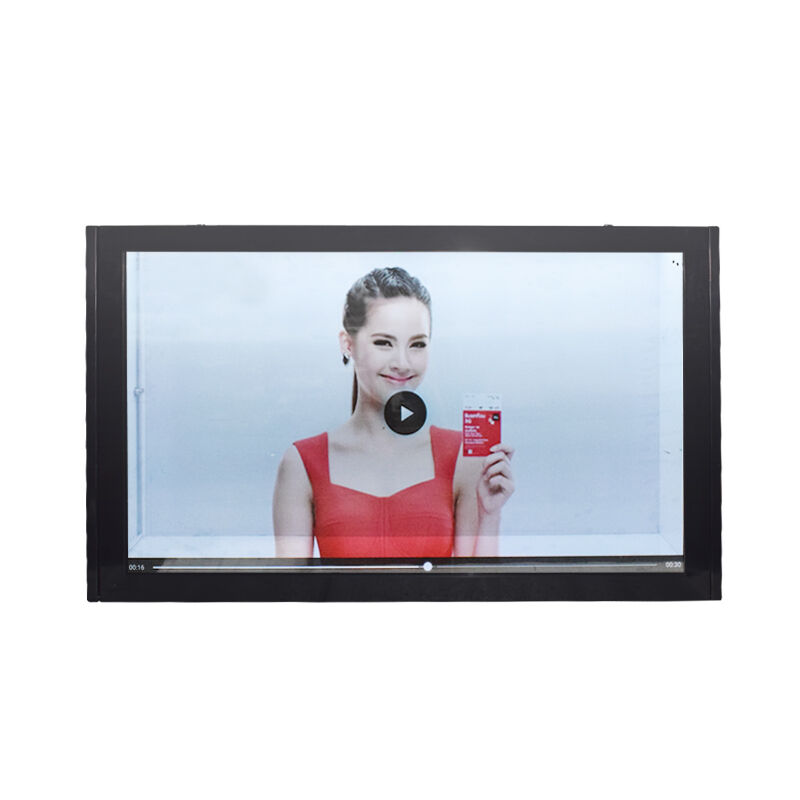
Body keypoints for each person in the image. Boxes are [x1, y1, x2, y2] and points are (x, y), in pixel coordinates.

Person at [273, 267, 514, 557]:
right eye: (384, 343)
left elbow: (477, 583)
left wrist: (490, 515)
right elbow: (293, 585)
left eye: (417, 344)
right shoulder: (302, 464)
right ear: (348, 344)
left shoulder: (462, 457)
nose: (402, 362)